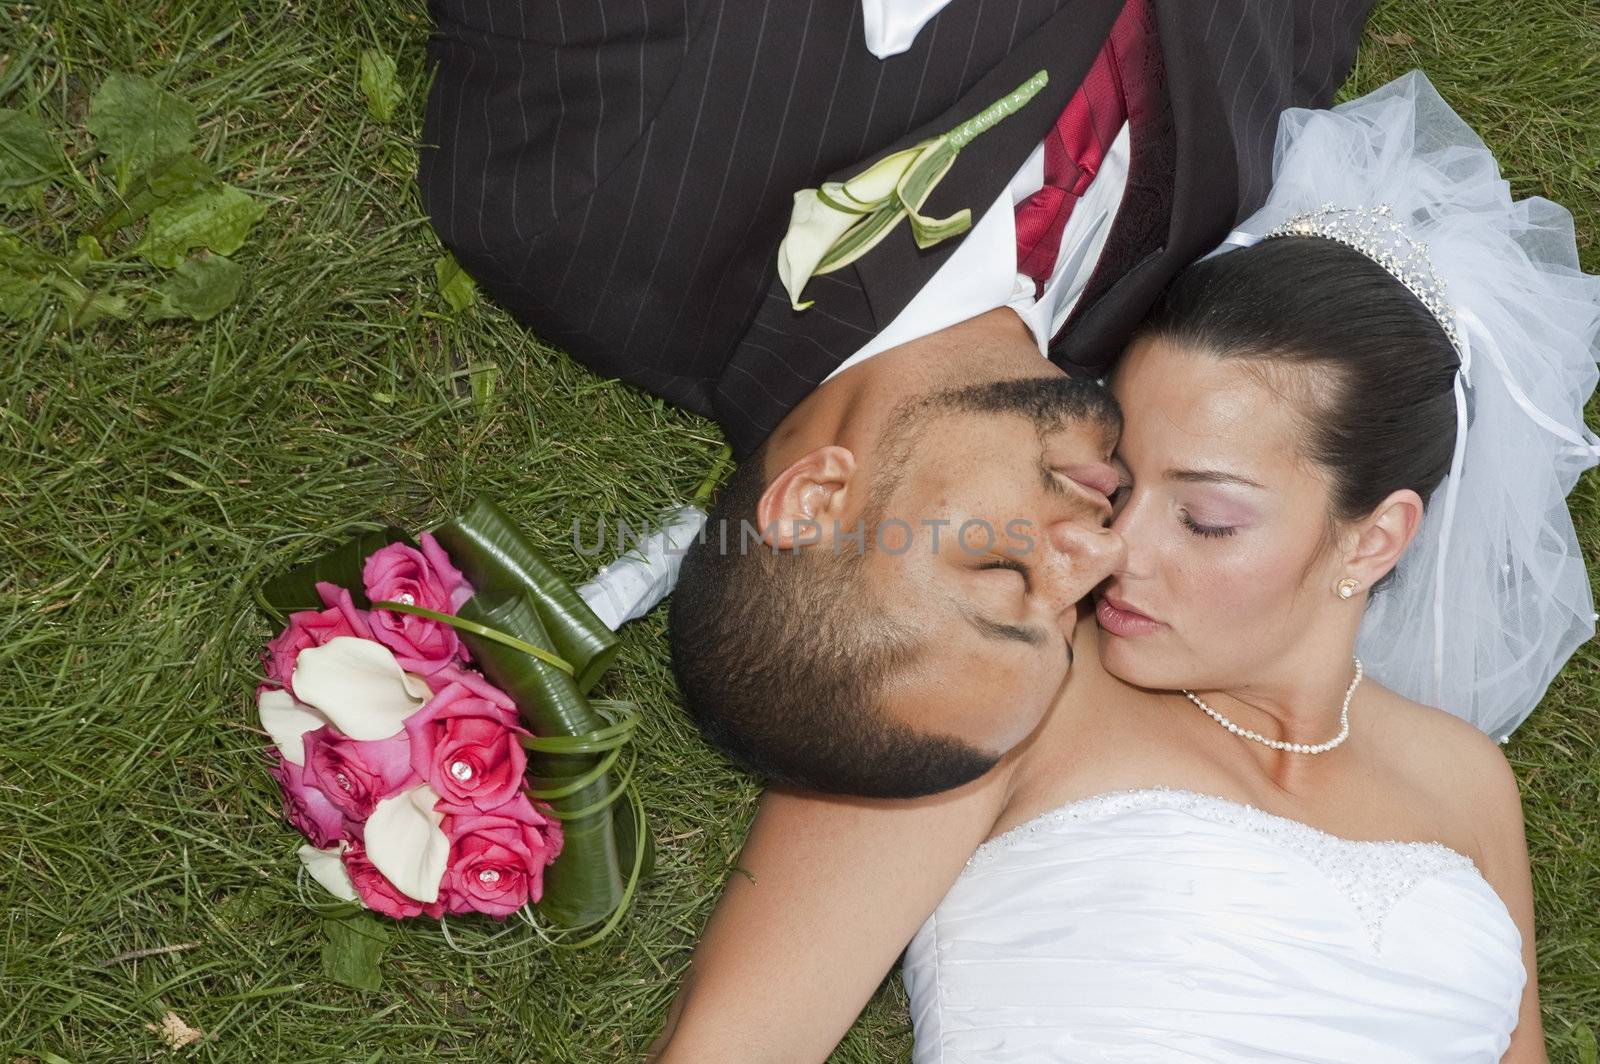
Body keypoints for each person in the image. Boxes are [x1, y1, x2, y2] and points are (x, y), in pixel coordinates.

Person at [647, 72, 1599, 1062]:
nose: (1111, 549)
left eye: (1206, 517)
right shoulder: (989, 689)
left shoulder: (1467, 781)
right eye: (1115, 486)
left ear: (1372, 538)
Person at [418, 0, 1376, 799]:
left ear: (816, 500)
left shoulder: (577, 200)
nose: (1097, 552)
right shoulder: (1185, 298)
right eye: (1069, 610)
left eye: (1008, 575)